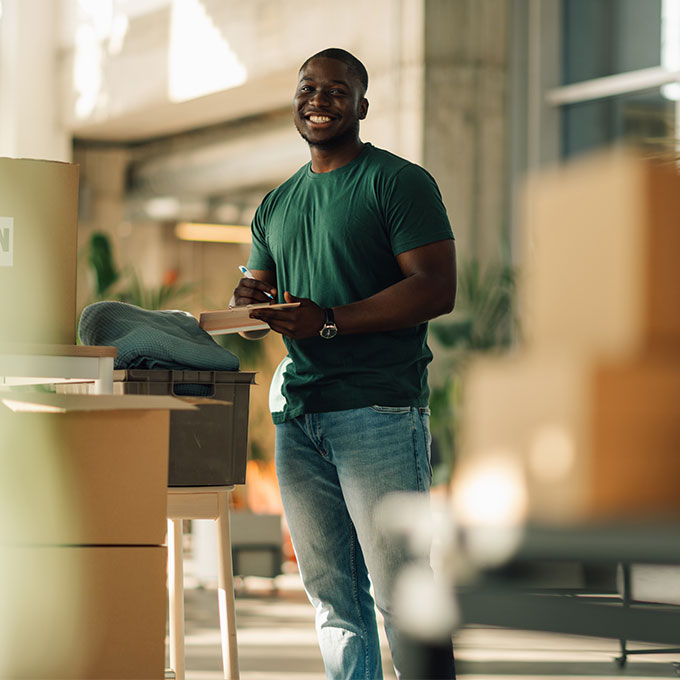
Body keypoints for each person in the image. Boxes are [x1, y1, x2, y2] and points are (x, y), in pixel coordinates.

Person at [232, 47, 457, 680]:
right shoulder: (275, 205)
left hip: (379, 409)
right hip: (300, 414)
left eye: (336, 90)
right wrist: (245, 302)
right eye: (308, 88)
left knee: (402, 595)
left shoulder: (398, 182)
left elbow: (437, 287)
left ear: (361, 104)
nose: (319, 100)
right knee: (334, 602)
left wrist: (329, 318)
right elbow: (256, 292)